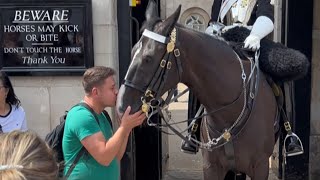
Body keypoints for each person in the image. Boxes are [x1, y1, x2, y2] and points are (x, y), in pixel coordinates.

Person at [182, 0, 303, 168]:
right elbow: (213, 22)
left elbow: (266, 16)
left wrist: (255, 34)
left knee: (281, 70)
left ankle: (289, 133)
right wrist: (214, 30)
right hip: (224, 45)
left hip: (254, 42)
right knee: (199, 76)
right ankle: (193, 130)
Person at [62, 66, 146, 180]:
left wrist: (126, 129)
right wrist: (124, 127)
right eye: (112, 88)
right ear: (96, 92)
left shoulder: (102, 115)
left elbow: (116, 156)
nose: (116, 91)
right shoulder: (81, 116)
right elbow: (105, 157)